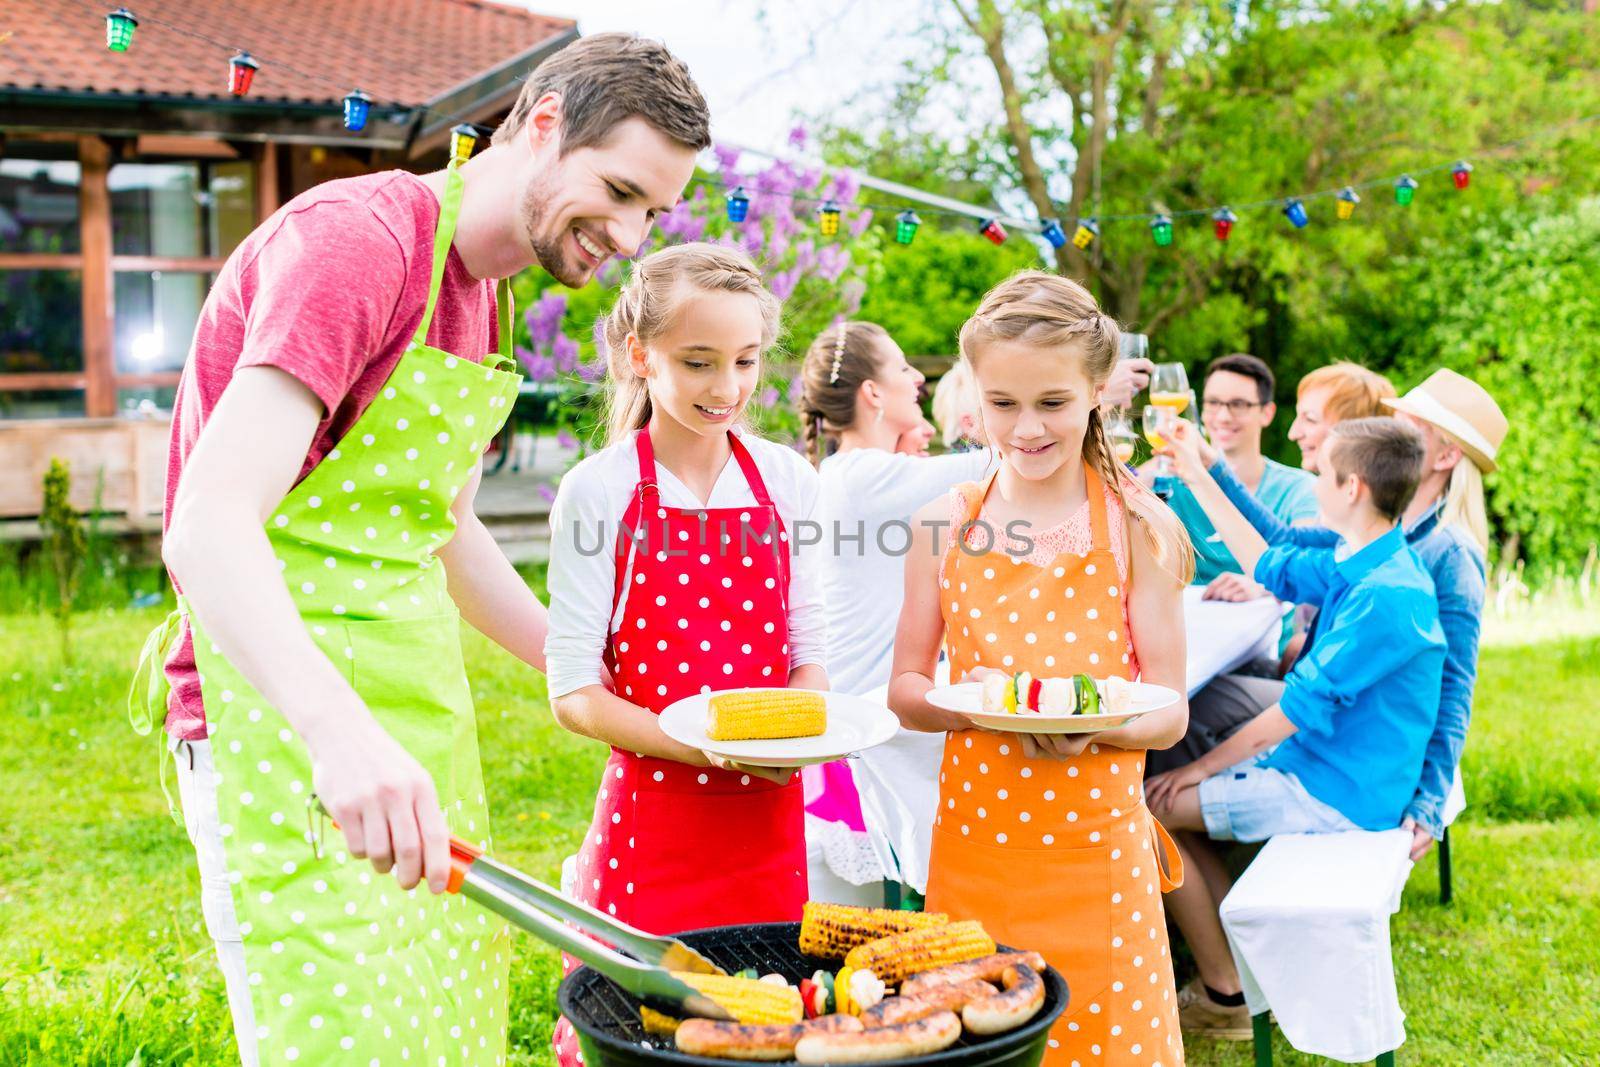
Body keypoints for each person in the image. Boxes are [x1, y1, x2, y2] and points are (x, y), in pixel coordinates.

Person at [130, 34, 709, 1066]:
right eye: (618, 190)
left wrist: (596, 662)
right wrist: (336, 733)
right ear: (541, 126)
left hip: (412, 726)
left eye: (653, 211)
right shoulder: (360, 242)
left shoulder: (481, 296)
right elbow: (208, 524)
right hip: (288, 728)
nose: (628, 234)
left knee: (438, 1033)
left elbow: (440, 524)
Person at [890, 271, 1194, 1067]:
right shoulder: (939, 524)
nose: (1025, 428)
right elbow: (906, 690)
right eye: (1003, 403)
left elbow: (1170, 710)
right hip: (976, 855)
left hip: (1097, 856)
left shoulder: (1139, 527)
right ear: (974, 397)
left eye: (1052, 403)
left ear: (1098, 391)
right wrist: (977, 709)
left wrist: (1097, 728)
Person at [544, 243, 827, 1066]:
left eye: (744, 362)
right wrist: (704, 744)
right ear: (640, 355)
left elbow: (811, 653)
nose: (727, 388)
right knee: (639, 1040)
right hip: (652, 831)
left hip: (768, 825)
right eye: (698, 362)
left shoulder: (788, 481)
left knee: (767, 1035)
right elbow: (573, 692)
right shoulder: (599, 492)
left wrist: (798, 732)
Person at [1145, 417, 1446, 1039]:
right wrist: (1198, 471)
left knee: (1147, 811)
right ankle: (1238, 967)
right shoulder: (1364, 558)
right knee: (1169, 783)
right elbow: (1267, 563)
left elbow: (1288, 717)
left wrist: (1200, 770)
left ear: (1354, 487)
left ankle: (1227, 992)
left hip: (1338, 794)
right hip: (1329, 767)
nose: (1311, 480)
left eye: (1321, 471)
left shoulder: (1386, 594)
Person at [1162, 369, 1505, 865]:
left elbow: (1453, 687)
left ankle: (1204, 853)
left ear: (1447, 456)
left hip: (1347, 744)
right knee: (1195, 703)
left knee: (1192, 714)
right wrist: (1210, 468)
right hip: (1335, 725)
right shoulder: (1378, 527)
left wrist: (1429, 802)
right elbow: (1279, 543)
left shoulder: (1445, 552)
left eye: (1409, 430)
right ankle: (1207, 862)